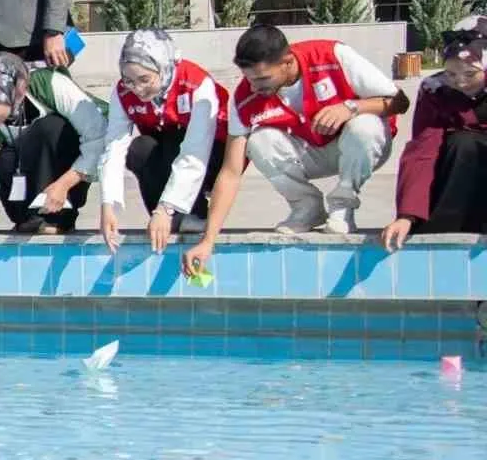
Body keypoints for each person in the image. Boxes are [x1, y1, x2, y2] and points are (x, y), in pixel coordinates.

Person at [181, 25, 407, 277]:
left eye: (263, 79)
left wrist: (351, 107)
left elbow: (399, 101)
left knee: (364, 125)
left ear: (287, 62)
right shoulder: (244, 98)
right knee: (258, 141)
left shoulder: (332, 56)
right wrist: (208, 241)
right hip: (311, 152)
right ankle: (306, 206)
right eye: (249, 78)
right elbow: (231, 172)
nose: (254, 87)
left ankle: (342, 206)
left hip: (361, 145)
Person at [0, 52, 107, 286]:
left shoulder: (49, 85)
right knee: (2, 158)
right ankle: (28, 217)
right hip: (23, 173)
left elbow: (98, 136)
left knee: (51, 128)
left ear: (15, 92)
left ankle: (58, 219)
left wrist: (65, 183)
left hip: (65, 169)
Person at [98, 29, 229, 254]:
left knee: (174, 140)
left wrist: (166, 208)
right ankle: (167, 219)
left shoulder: (197, 84)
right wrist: (108, 203)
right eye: (129, 80)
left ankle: (191, 212)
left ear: (165, 67)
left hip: (213, 155)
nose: (137, 89)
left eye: (144, 79)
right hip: (170, 152)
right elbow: (114, 146)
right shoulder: (122, 92)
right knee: (140, 149)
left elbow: (195, 151)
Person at [382, 19, 487, 250]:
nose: (459, 81)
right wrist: (407, 215)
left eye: (470, 74)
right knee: (462, 143)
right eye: (451, 73)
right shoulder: (435, 89)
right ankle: (446, 230)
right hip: (460, 163)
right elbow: (423, 149)